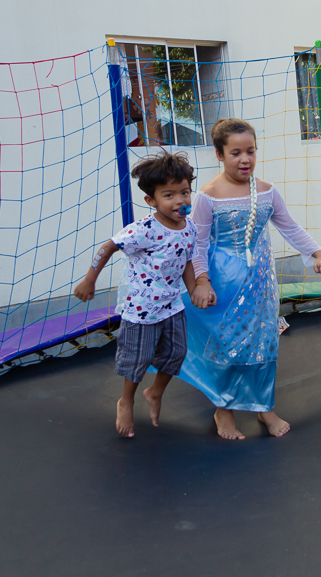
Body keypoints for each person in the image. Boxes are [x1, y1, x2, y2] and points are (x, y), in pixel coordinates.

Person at [182, 118, 321, 439]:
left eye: (250, 151)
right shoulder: (207, 196)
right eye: (235, 152)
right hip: (222, 286)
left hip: (260, 283)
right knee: (227, 348)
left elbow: (291, 227)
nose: (245, 159)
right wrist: (201, 281)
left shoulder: (266, 192)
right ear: (219, 154)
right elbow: (196, 244)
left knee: (264, 344)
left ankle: (264, 407)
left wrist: (318, 254)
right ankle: (223, 411)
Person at [74, 151, 199, 437]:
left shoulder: (189, 227)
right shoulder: (145, 229)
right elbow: (109, 246)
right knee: (137, 360)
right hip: (142, 309)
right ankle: (126, 400)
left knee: (176, 354)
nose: (180, 200)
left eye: (185, 192)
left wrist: (192, 289)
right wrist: (89, 280)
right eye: (169, 195)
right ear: (151, 201)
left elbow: (187, 260)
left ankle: (154, 392)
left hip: (171, 305)